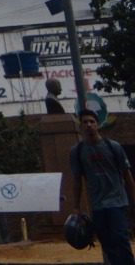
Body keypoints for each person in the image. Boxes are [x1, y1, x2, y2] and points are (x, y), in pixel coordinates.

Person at [70, 109, 135, 265]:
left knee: (120, 239)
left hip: (117, 202)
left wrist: (133, 200)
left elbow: (127, 176)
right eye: (85, 122)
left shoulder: (113, 147)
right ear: (81, 126)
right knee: (107, 243)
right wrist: (76, 207)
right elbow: (77, 180)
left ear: (97, 125)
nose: (89, 125)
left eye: (92, 122)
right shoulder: (77, 152)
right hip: (97, 205)